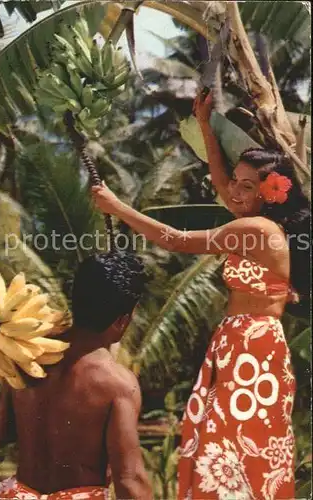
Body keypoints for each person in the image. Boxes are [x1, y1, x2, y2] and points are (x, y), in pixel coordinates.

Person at [90, 92, 310, 500]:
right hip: (242, 344)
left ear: (271, 192)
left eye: (248, 185)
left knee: (236, 453)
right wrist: (206, 127)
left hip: (251, 348)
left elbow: (174, 240)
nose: (235, 192)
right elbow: (222, 183)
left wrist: (117, 206)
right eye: (237, 181)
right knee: (225, 451)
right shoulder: (256, 220)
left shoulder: (257, 231)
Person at [0, 253, 152, 500]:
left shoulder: (28, 352)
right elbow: (130, 479)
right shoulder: (118, 384)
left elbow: (0, 430)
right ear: (122, 320)